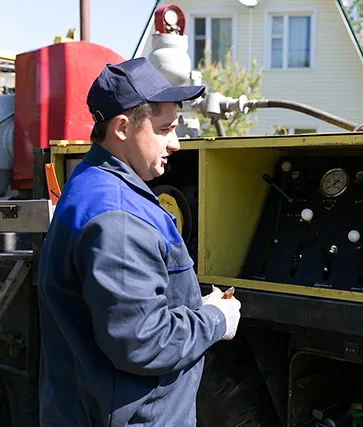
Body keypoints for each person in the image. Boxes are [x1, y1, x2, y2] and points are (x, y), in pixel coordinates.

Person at [37, 57, 241, 427]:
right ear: (122, 127)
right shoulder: (118, 218)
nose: (176, 143)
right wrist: (216, 318)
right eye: (165, 129)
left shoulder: (91, 183)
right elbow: (144, 342)